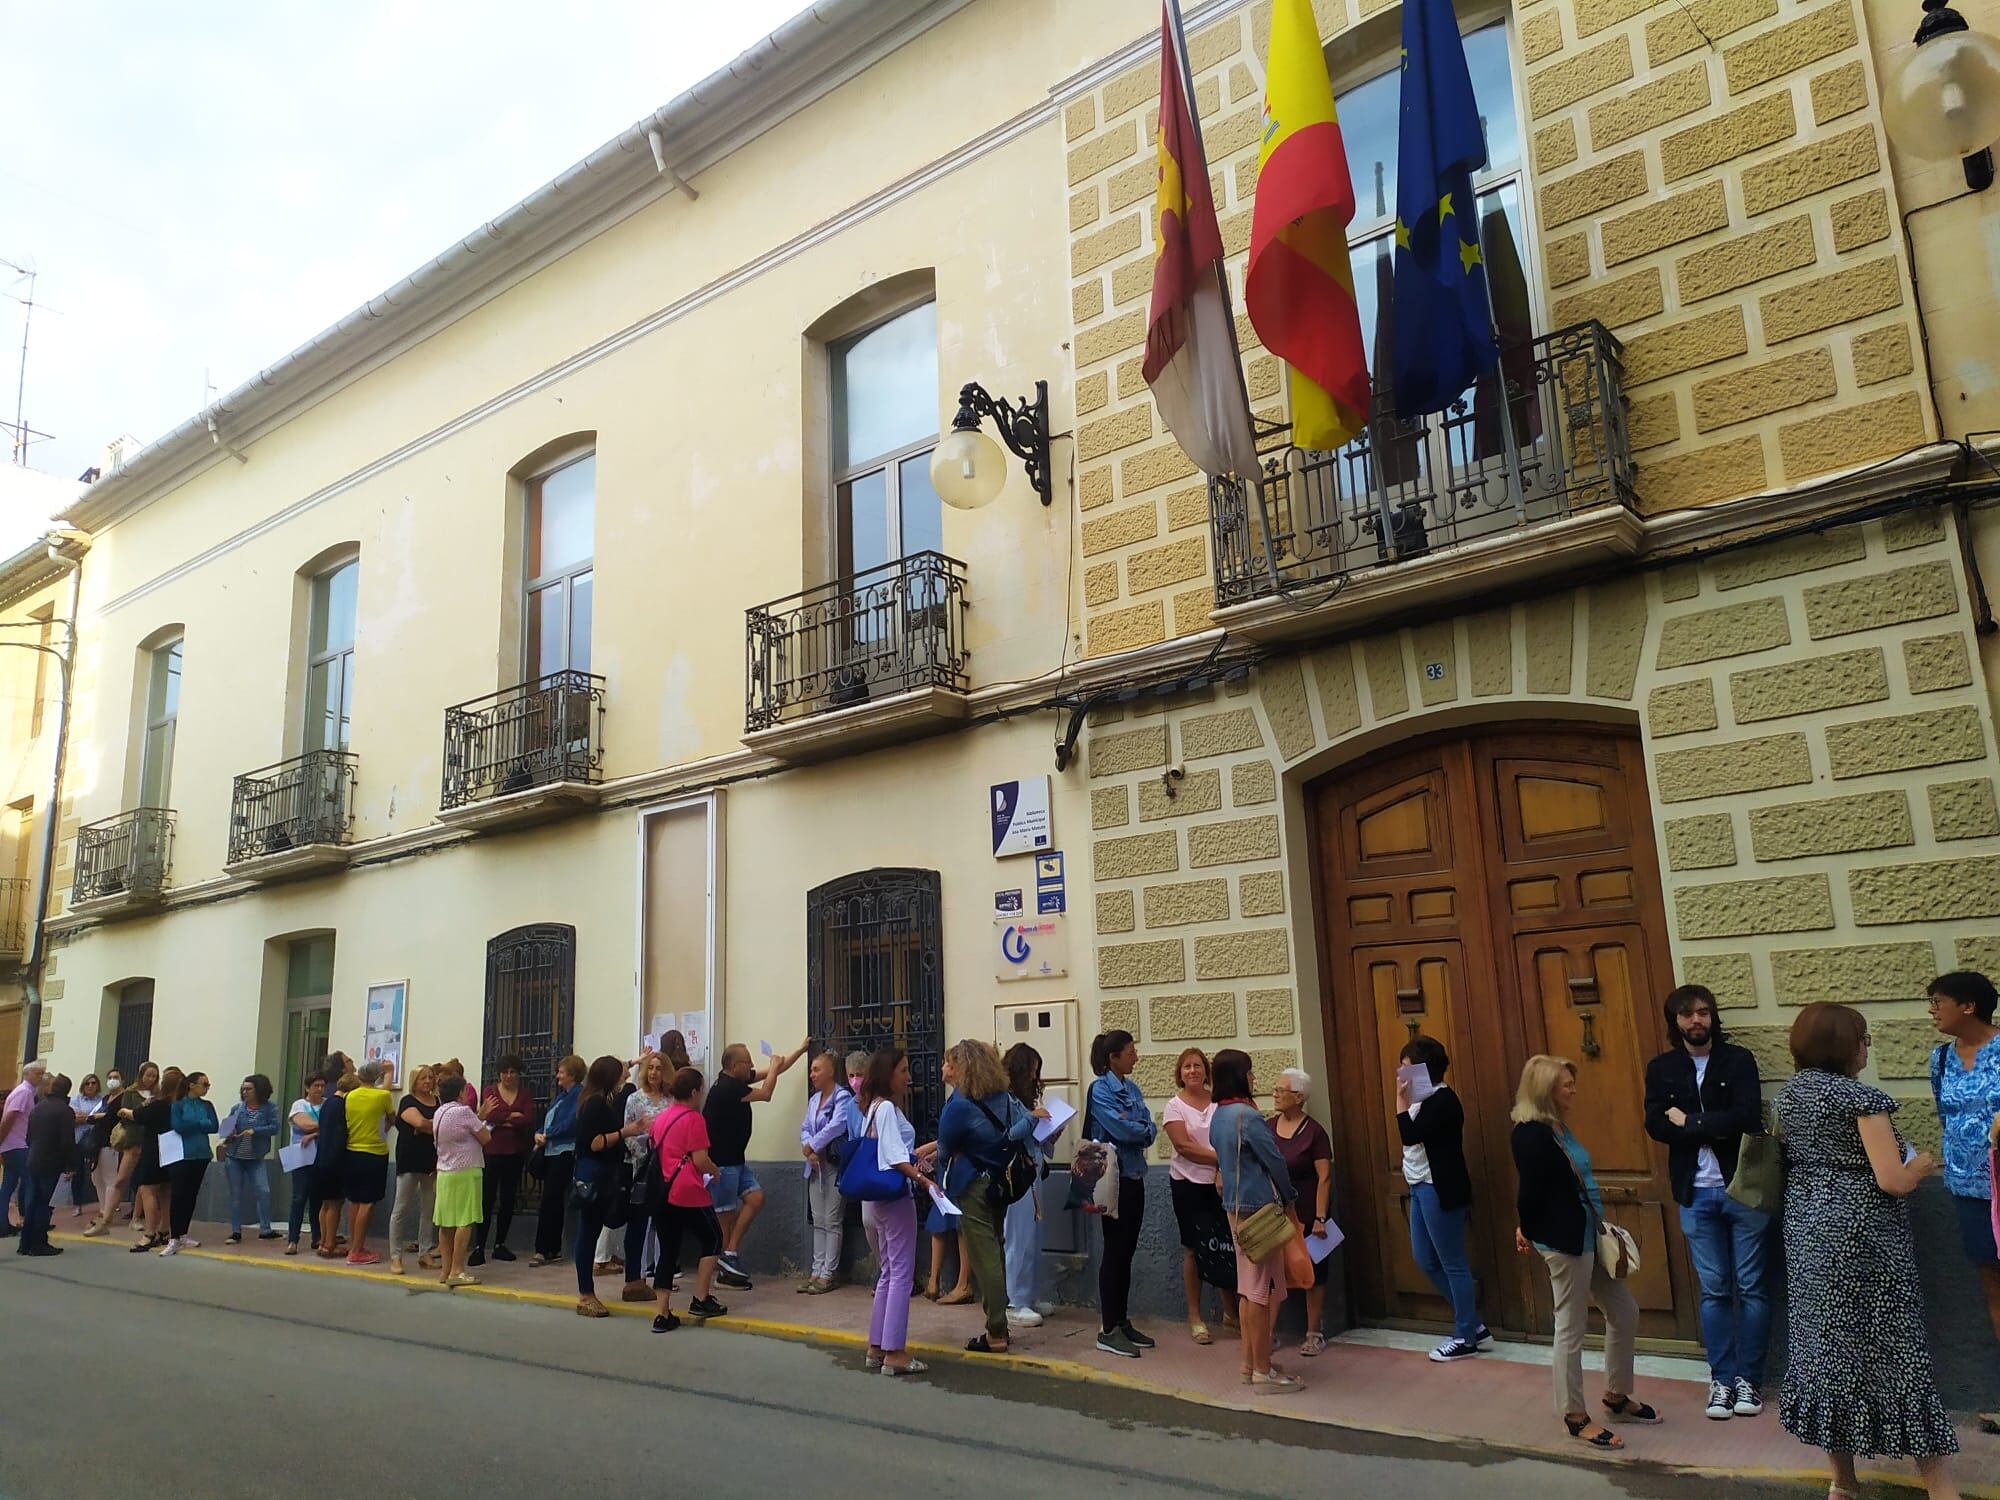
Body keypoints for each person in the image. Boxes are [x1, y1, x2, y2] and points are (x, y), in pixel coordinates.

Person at [1776, 1002, 1960, 1498]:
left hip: (1809, 1234)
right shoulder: (1861, 1099)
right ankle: (1941, 1490)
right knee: (1897, 1354)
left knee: (1827, 1353)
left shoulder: (1791, 1096)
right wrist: (1923, 1163)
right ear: (1845, 1046)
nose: (1867, 1048)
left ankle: (1843, 1483)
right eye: (1863, 1038)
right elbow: (1893, 1179)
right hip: (1866, 1243)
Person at [1511, 1054, 1657, 1449]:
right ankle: (1574, 1416)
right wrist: (1528, 1228)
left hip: (1586, 1234)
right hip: (1564, 1240)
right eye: (1566, 1084)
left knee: (1624, 1310)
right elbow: (1530, 1193)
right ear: (1546, 1090)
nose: (1574, 1090)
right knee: (1571, 1326)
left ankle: (1616, 1393)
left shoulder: (1557, 1127)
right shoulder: (1531, 1134)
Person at [1642, 982, 1768, 1419]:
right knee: (1714, 1290)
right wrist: (1711, 1124)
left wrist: (1690, 1120)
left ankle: (1750, 1380)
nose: (1696, 1021)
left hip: (1742, 1189)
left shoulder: (1738, 1060)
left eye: (1703, 1012)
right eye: (1687, 1014)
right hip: (1694, 1192)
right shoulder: (1662, 1068)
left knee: (1752, 1287)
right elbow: (1656, 1125)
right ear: (1674, 1022)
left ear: (1713, 1017)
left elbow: (1748, 1116)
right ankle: (1722, 1380)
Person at [1925, 970, 2000, 1437]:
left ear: (1968, 1006)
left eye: (1938, 1001)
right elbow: (1945, 1114)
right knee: (1994, 1286)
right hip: (1970, 1191)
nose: (1932, 1010)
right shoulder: (1940, 1059)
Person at [937, 1038, 1038, 1355]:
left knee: (987, 1258)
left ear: (960, 1068)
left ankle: (996, 1331)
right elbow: (1021, 1126)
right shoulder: (1002, 1097)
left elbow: (944, 1147)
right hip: (1000, 1182)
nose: (943, 1068)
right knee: (995, 1247)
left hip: (974, 1185)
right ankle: (1000, 1324)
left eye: (947, 1063)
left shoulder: (959, 1105)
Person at [1395, 1035, 1492, 1364]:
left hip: (1440, 1188)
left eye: (1406, 1069)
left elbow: (1410, 1134)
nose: (1401, 1076)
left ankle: (1465, 1335)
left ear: (1423, 1071)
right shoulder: (1421, 1100)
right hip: (1419, 1186)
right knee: (1424, 1258)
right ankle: (1474, 1323)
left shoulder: (1443, 1101)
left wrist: (1399, 1103)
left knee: (1453, 1264)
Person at [1211, 1049, 1300, 1393]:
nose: (1253, 1079)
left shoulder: (1218, 1115)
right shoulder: (1246, 1117)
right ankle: (1263, 1370)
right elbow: (1274, 1160)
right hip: (1259, 1209)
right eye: (1249, 1072)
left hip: (1234, 1208)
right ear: (1238, 1076)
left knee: (1248, 1291)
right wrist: (1290, 1197)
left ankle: (1250, 1364)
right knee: (1260, 1293)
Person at [853, 1048, 937, 1374]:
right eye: (903, 1070)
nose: (908, 1077)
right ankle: (895, 1352)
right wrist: (923, 1180)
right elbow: (892, 1155)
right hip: (894, 1197)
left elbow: (893, 1152)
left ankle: (877, 1346)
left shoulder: (873, 1107)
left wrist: (916, 1160)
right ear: (889, 1074)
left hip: (877, 1198)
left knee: (888, 1272)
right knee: (901, 1273)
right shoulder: (887, 1107)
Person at [703, 1038, 807, 1289]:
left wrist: (799, 1050)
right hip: (722, 1164)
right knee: (724, 1219)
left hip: (737, 1162)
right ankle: (724, 1272)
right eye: (747, 1061)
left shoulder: (737, 1081)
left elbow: (775, 1070)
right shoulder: (727, 1087)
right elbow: (767, 1093)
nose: (751, 1065)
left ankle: (730, 1253)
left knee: (756, 1198)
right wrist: (772, 1066)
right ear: (734, 1065)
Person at [1086, 1028, 1156, 1359]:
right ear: (1113, 1057)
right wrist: (1138, 1126)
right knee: (1114, 1251)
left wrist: (1138, 1126)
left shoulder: (1133, 1088)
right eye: (1130, 1052)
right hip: (1113, 1178)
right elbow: (1121, 1127)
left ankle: (1122, 1320)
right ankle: (1108, 1328)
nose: (1136, 1057)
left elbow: (1148, 1126)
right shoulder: (1100, 1090)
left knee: (1127, 1250)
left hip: (1135, 1175)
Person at [1162, 1046, 1237, 1345]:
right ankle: (1196, 1316)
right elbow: (1184, 1147)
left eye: (1197, 1065)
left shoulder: (1219, 1102)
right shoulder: (1174, 1106)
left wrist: (1222, 1168)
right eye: (1186, 1067)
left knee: (1226, 1245)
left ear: (1206, 1071)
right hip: (1187, 1184)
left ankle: (1230, 1313)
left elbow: (1230, 1136)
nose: (1192, 1071)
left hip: (1221, 1184)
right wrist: (1221, 1160)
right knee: (1194, 1248)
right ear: (1180, 1074)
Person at [649, 1066, 730, 1331]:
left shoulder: (661, 1118)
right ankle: (701, 1297)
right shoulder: (694, 1119)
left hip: (661, 1191)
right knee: (713, 1237)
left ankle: (662, 1314)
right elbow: (700, 1159)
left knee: (668, 1249)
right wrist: (715, 1172)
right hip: (687, 1190)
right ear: (695, 1092)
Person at [569, 1055, 643, 1317]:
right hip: (595, 1174)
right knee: (588, 1233)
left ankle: (596, 1289)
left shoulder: (598, 1100)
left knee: (596, 1229)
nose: (625, 1076)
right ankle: (585, 1293)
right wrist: (627, 1131)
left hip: (604, 1173)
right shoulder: (596, 1105)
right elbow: (596, 1143)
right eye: (621, 1073)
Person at [1270, 1067, 1333, 1359]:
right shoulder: (1268, 1127)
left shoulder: (1315, 1133)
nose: (1275, 1093)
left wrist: (1321, 1217)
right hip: (1275, 1213)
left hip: (1308, 1212)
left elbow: (1324, 1177)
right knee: (1274, 1272)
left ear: (1298, 1096)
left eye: (1281, 1090)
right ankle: (1268, 1332)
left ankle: (1314, 1332)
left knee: (1314, 1273)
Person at [1002, 1042, 1061, 1329]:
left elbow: (1033, 1139)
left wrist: (1051, 1134)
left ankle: (1030, 1295)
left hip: (1033, 1171)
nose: (1036, 1079)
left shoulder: (1024, 1103)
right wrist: (1032, 1118)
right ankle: (1015, 1301)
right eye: (1032, 1072)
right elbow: (1009, 1135)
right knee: (1019, 1237)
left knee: (1034, 1237)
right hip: (1017, 1174)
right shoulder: (1005, 1100)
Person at [619, 1051, 674, 1302]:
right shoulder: (634, 1099)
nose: (653, 1073)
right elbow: (628, 1132)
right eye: (650, 1068)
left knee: (665, 1223)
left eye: (659, 1068)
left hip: (667, 1168)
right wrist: (644, 1153)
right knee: (639, 1224)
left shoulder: (671, 1100)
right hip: (641, 1168)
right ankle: (636, 1277)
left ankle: (663, 1275)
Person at [473, 1054, 537, 1266]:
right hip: (492, 1152)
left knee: (508, 1200)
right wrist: (512, 1117)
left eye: (512, 1072)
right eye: (505, 1072)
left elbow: (528, 1119)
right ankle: (479, 1245)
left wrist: (504, 1117)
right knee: (487, 1200)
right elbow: (489, 1116)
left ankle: (500, 1244)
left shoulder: (525, 1093)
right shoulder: (490, 1091)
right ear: (499, 1074)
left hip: (515, 1152)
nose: (509, 1076)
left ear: (518, 1074)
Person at [798, 1051, 851, 1294]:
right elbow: (805, 1127)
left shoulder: (842, 1097)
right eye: (812, 1070)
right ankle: (815, 1270)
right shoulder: (813, 1100)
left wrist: (813, 1145)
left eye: (816, 1069)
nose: (812, 1075)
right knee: (818, 1220)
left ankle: (829, 1273)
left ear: (830, 1071)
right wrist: (808, 1150)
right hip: (815, 1166)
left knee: (832, 1219)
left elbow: (837, 1126)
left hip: (833, 1166)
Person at [431, 1072, 489, 1288]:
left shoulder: (439, 1112)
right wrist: (482, 1117)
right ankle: (458, 1269)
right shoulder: (464, 1112)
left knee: (446, 1223)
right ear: (460, 1092)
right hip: (466, 1171)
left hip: (445, 1171)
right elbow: (485, 1137)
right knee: (465, 1220)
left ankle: (446, 1270)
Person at [88, 1062, 157, 1239]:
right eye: (148, 1075)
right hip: (133, 1141)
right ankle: (106, 1219)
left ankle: (136, 1218)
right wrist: (141, 1109)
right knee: (120, 1179)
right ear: (141, 1075)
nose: (151, 1079)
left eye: (154, 1076)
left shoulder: (158, 1094)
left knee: (144, 1183)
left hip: (151, 1142)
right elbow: (123, 1115)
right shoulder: (131, 1093)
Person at [530, 1054, 585, 1269]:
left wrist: (548, 1135)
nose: (557, 1076)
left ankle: (544, 1249)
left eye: (561, 1072)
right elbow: (549, 1120)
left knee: (550, 1200)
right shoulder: (561, 1096)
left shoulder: (578, 1096)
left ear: (572, 1074)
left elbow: (571, 1123)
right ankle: (550, 1248)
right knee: (551, 1201)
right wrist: (539, 1133)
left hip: (564, 1152)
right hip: (552, 1152)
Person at [340, 1060, 395, 1266]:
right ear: (377, 1077)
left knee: (354, 1201)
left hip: (352, 1151)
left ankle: (355, 1245)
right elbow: (391, 1117)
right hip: (374, 1153)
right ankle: (356, 1251)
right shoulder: (382, 1096)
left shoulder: (350, 1096)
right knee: (368, 1202)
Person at [390, 1064, 442, 1275]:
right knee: (400, 1209)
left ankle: (425, 1252)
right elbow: (420, 1122)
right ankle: (395, 1256)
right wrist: (429, 1125)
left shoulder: (437, 1101)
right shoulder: (407, 1101)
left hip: (431, 1162)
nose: (428, 1081)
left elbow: (437, 1126)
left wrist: (428, 1126)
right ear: (415, 1081)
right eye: (423, 1078)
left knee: (428, 1210)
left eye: (430, 1078)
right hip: (409, 1161)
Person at [216, 1074, 280, 1244]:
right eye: (243, 1089)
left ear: (259, 1089)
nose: (245, 1092)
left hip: (256, 1157)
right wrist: (227, 1133)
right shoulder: (237, 1108)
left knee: (264, 1192)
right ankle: (236, 1231)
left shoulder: (269, 1108)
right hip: (234, 1156)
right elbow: (224, 1130)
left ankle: (265, 1229)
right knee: (236, 1194)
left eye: (249, 1089)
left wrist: (255, 1130)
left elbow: (275, 1128)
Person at [122, 1065, 179, 1253]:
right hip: (172, 1149)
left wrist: (124, 1111)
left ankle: (149, 1234)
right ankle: (164, 1230)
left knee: (147, 1190)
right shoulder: (179, 1105)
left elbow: (136, 1115)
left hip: (154, 1149)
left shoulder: (158, 1104)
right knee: (165, 1190)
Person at [163, 1071, 219, 1256]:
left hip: (201, 1154)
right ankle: (174, 1236)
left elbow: (214, 1126)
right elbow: (179, 1126)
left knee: (191, 1194)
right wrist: (200, 1123)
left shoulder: (207, 1105)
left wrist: (195, 1124)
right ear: (191, 1085)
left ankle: (184, 1233)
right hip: (181, 1155)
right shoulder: (178, 1105)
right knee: (178, 1194)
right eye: (204, 1084)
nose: (207, 1088)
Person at [20, 1072, 73, 1256]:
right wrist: (71, 1164)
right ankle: (39, 1243)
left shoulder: (39, 1107)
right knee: (45, 1204)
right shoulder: (65, 1111)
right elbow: (67, 1142)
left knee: (32, 1202)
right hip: (51, 1162)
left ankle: (25, 1243)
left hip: (33, 1159)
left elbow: (28, 1136)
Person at [0, 1057, 49, 1235]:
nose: (41, 1077)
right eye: (38, 1073)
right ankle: (30, 1223)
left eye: (42, 1073)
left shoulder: (26, 1092)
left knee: (8, 1184)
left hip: (13, 1145)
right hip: (17, 1145)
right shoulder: (24, 1092)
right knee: (31, 1181)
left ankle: (2, 1225)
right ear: (26, 1074)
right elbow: (10, 1118)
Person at [313, 1062, 353, 1259]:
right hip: (335, 1161)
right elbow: (341, 1135)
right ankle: (330, 1245)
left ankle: (322, 1242)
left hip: (321, 1158)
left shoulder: (327, 1103)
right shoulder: (341, 1106)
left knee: (325, 1204)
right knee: (335, 1204)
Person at [283, 1073, 325, 1255]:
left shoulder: (327, 1104)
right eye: (316, 1085)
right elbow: (305, 1125)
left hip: (321, 1155)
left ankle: (317, 1237)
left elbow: (337, 1127)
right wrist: (321, 1127)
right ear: (308, 1087)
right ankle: (293, 1239)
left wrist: (315, 1133)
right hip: (301, 1156)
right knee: (299, 1197)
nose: (320, 1089)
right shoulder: (299, 1105)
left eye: (323, 1085)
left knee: (318, 1198)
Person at [64, 1074, 105, 1220]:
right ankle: (77, 1205)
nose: (90, 1086)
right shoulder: (76, 1100)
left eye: (93, 1083)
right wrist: (91, 1117)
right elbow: (73, 1118)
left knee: (100, 1173)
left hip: (96, 1140)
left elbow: (103, 1117)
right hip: (78, 1140)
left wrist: (86, 1117)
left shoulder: (102, 1100)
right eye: (87, 1083)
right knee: (78, 1174)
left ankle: (105, 1203)